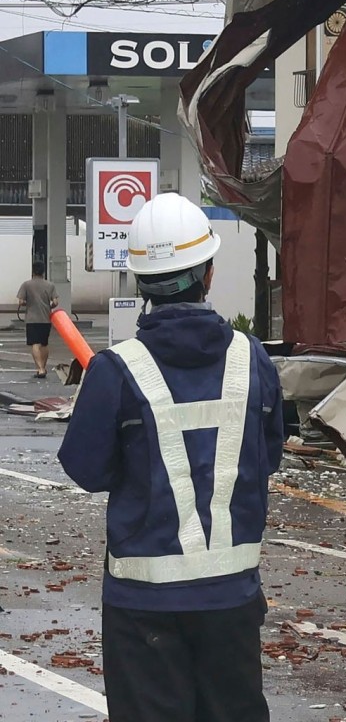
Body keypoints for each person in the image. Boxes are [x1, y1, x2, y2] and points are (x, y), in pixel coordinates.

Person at [58, 194, 284, 722]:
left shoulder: (115, 371)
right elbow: (267, 456)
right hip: (232, 603)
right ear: (207, 274)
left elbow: (87, 470)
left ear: (139, 283)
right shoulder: (252, 360)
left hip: (143, 610)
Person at [16, 262, 59, 379]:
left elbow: (20, 301)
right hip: (46, 318)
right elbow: (55, 302)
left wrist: (27, 303)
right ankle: (43, 367)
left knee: (35, 343)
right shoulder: (50, 285)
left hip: (32, 318)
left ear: (33, 271)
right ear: (44, 272)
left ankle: (40, 369)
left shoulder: (26, 284)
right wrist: (48, 307)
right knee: (44, 344)